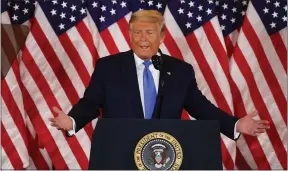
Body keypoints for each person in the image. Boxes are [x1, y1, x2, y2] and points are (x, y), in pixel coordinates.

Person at [49, 10, 269, 140]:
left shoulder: (180, 71)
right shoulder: (108, 67)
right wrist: (72, 120)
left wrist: (235, 125)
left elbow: (202, 108)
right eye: (137, 32)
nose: (143, 38)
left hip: (165, 155)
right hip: (119, 156)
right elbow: (91, 103)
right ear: (129, 35)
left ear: (161, 37)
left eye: (149, 32)